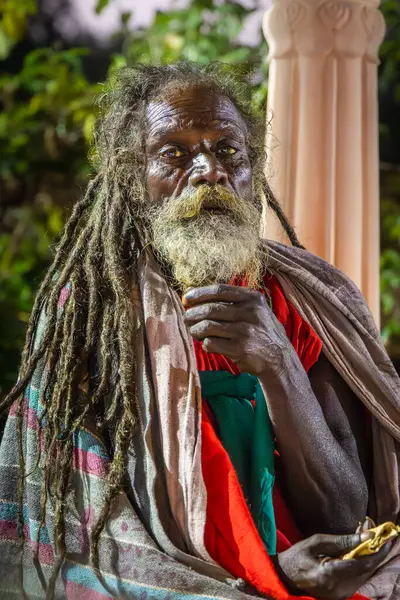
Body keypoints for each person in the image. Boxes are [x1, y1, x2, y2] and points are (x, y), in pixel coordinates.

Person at [0, 62, 399, 600]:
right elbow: (88, 539)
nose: (209, 169)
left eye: (227, 151)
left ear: (252, 170)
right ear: (132, 177)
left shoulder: (306, 300)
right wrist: (268, 575)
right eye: (176, 153)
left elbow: (344, 512)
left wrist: (280, 364)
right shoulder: (91, 317)